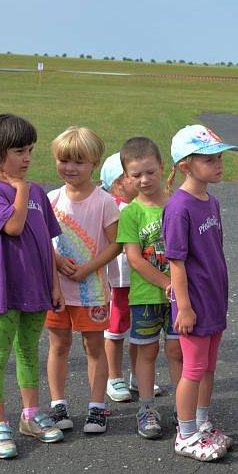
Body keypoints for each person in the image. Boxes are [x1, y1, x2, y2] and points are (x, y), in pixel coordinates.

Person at [0, 113, 65, 458]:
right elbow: (14, 227)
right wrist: (20, 190)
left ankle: (31, 415)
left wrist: (55, 285)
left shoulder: (37, 190)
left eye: (30, 151)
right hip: (5, 291)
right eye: (20, 151)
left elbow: (48, 243)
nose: (27, 159)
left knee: (28, 352)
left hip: (37, 289)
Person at [164, 125, 237, 461]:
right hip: (193, 303)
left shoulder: (212, 201)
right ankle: (186, 431)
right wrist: (184, 308)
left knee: (208, 367)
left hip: (213, 299)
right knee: (193, 369)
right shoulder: (179, 207)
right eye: (210, 159)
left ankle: (203, 422)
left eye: (220, 157)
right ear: (185, 165)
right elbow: (176, 263)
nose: (219, 164)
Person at [45, 127, 121, 434]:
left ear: (94, 163)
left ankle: (96, 407)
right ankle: (57, 404)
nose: (70, 168)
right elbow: (42, 242)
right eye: (63, 160)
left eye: (78, 161)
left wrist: (89, 267)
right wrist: (58, 261)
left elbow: (117, 244)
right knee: (58, 345)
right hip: (57, 290)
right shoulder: (51, 199)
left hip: (92, 291)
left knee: (94, 348)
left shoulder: (104, 202)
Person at [116, 137, 183, 439]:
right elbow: (134, 258)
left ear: (162, 168)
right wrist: (167, 283)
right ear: (126, 177)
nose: (144, 180)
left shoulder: (179, 205)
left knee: (177, 351)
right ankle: (146, 408)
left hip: (179, 297)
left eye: (150, 172)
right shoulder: (131, 213)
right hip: (145, 297)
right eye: (136, 175)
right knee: (146, 353)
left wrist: (178, 287)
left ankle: (185, 408)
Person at [100, 153, 149, 402]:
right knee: (115, 330)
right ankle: (113, 377)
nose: (141, 181)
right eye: (133, 176)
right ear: (118, 182)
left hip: (141, 280)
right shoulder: (113, 207)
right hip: (118, 281)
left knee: (140, 331)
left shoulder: (143, 204)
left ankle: (138, 375)